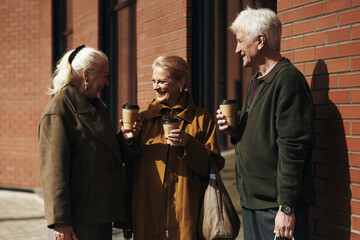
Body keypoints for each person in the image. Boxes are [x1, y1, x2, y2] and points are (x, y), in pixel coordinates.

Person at [216, 7, 314, 240]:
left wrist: (286, 208)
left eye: (240, 41)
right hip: (254, 202)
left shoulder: (287, 81)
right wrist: (235, 130)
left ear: (260, 40)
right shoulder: (255, 82)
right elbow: (263, 136)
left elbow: (293, 149)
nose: (237, 48)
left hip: (275, 206)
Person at [38, 45, 139, 240]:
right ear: (86, 75)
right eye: (104, 75)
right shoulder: (58, 111)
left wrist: (124, 138)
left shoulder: (96, 106)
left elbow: (101, 152)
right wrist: (61, 222)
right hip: (77, 220)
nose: (107, 82)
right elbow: (53, 172)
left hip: (99, 214)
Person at [130, 55, 225, 239]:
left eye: (162, 81)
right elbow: (129, 172)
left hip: (187, 218)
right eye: (153, 81)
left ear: (180, 82)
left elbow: (213, 167)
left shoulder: (202, 120)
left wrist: (189, 144)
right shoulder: (142, 120)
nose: (155, 86)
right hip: (147, 218)